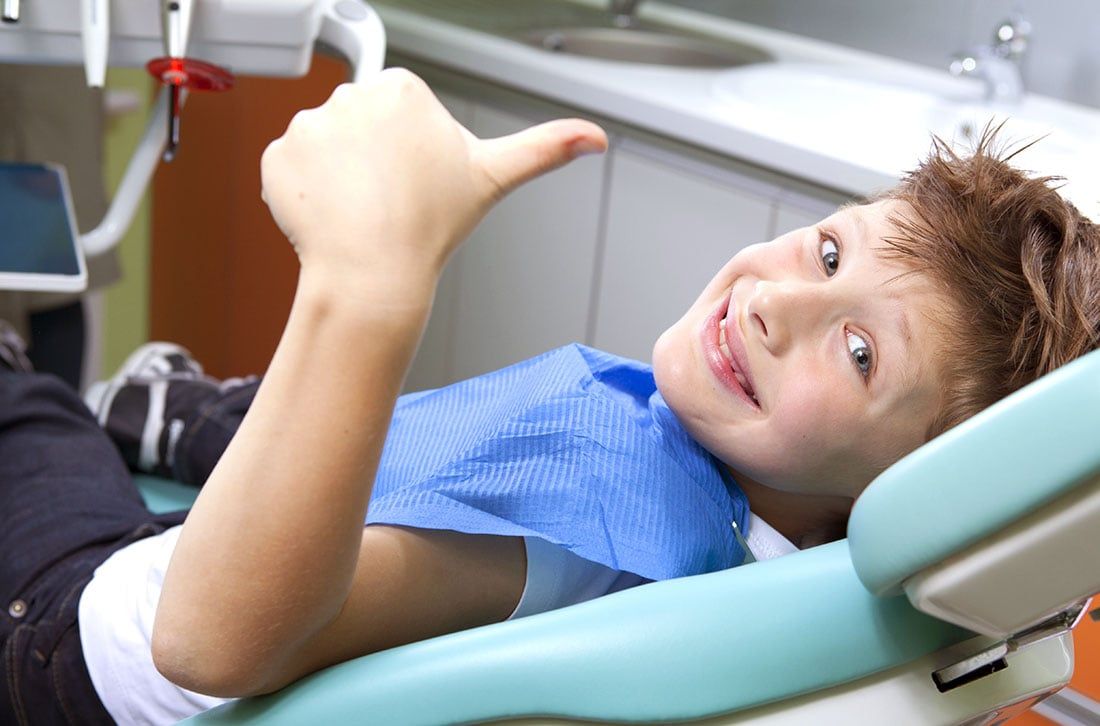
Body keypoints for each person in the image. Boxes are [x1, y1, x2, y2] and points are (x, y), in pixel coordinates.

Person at [1, 69, 1098, 724]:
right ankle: (188, 415)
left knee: (35, 410)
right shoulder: (760, 543)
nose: (775, 302)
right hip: (183, 548)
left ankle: (162, 411)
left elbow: (209, 640)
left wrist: (366, 285)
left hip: (80, 640)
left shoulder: (582, 538)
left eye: (858, 352)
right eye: (824, 251)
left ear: (896, 483)